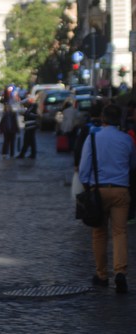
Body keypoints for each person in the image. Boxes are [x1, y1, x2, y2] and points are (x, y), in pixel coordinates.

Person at [79, 104, 136, 293]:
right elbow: (132, 164)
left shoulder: (93, 138)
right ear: (119, 119)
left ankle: (102, 275)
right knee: (120, 233)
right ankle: (120, 272)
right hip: (121, 190)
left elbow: (84, 168)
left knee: (99, 233)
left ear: (103, 118)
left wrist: (87, 185)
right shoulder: (126, 139)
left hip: (98, 190)